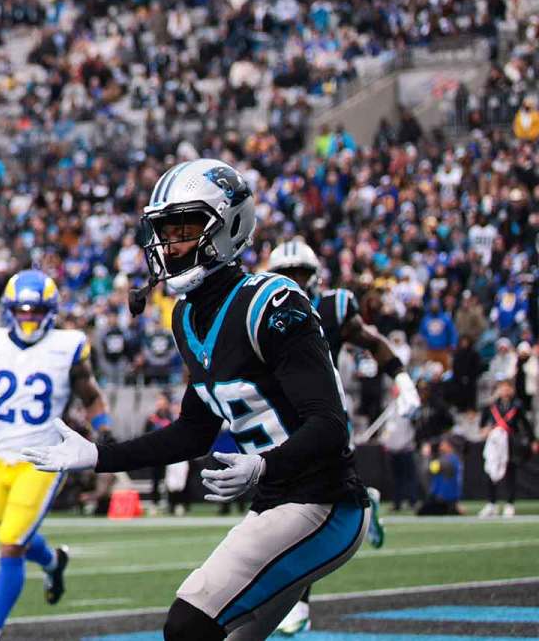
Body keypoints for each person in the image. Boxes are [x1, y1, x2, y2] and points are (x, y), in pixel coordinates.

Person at [22, 159, 370, 641]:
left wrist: (263, 465)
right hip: (275, 503)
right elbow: (194, 430)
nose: (170, 244)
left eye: (184, 228)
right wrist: (100, 455)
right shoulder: (187, 318)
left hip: (325, 502)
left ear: (228, 226)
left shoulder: (271, 303)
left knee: (188, 627)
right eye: (165, 231)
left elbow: (330, 424)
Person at [0, 269, 113, 641]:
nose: (29, 317)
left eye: (36, 310)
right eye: (23, 310)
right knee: (14, 535)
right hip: (1, 458)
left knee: (11, 544)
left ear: (50, 311)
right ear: (9, 310)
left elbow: (91, 395)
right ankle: (54, 561)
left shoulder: (69, 346)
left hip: (45, 459)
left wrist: (105, 428)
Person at [267, 238, 418, 633]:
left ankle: (299, 604)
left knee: (304, 507)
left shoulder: (332, 308)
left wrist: (402, 378)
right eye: (284, 275)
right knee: (301, 505)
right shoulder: (260, 311)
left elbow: (372, 341)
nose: (291, 283)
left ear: (314, 277)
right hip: (282, 417)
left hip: (324, 416)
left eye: (298, 275)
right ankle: (364, 501)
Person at [478, 377, 536, 518]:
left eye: (507, 388)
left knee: (510, 473)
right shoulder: (491, 406)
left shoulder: (516, 406)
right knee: (491, 472)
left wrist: (533, 440)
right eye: (502, 387)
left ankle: (510, 504)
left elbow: (525, 425)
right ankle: (491, 503)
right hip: (494, 445)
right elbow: (482, 425)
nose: (504, 391)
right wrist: (485, 430)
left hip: (510, 443)